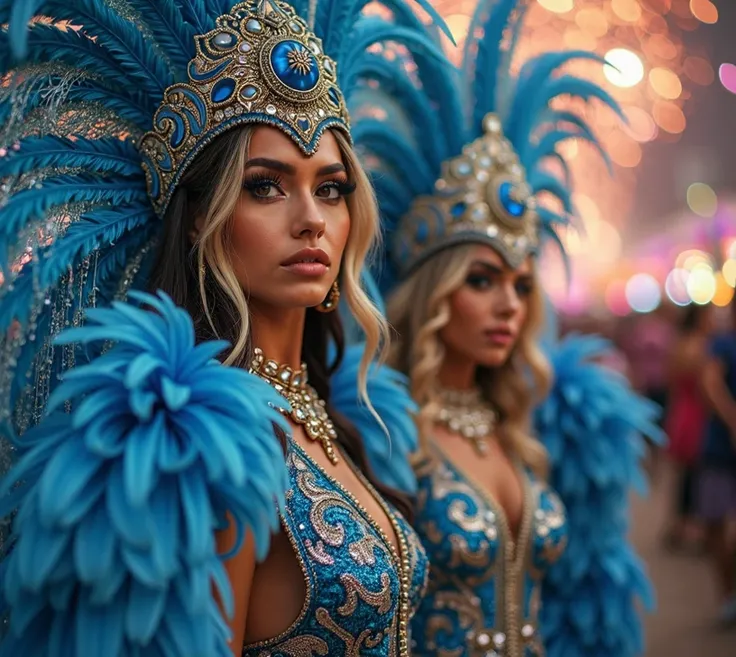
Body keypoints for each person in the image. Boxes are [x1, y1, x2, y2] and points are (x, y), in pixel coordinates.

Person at [0, 1, 450, 654]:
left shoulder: (329, 414)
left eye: (330, 188)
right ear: (197, 219)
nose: (311, 220)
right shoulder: (192, 447)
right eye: (266, 186)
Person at [348, 1, 660, 655]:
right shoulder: (378, 429)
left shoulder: (521, 422)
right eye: (481, 280)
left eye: (522, 285)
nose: (509, 306)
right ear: (434, 292)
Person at [661, 303, 713, 553]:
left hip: (682, 411)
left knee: (685, 476)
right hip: (695, 415)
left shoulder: (680, 343)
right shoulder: (699, 346)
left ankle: (680, 525)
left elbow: (671, 379)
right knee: (694, 475)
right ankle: (690, 526)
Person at [700, 297, 736, 626]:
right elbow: (710, 384)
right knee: (715, 523)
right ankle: (727, 595)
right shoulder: (723, 344)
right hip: (721, 451)